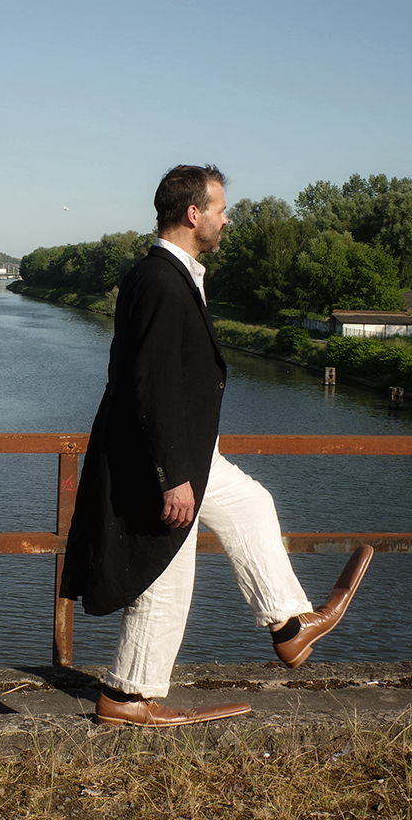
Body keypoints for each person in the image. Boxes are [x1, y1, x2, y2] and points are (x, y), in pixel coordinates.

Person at [60, 164, 373, 728]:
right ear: (192, 213)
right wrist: (170, 475)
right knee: (166, 578)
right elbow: (148, 383)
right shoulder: (159, 280)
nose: (228, 219)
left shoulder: (170, 275)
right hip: (166, 462)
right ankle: (129, 697)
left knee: (253, 504)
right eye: (222, 208)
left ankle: (290, 627)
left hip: (188, 455)